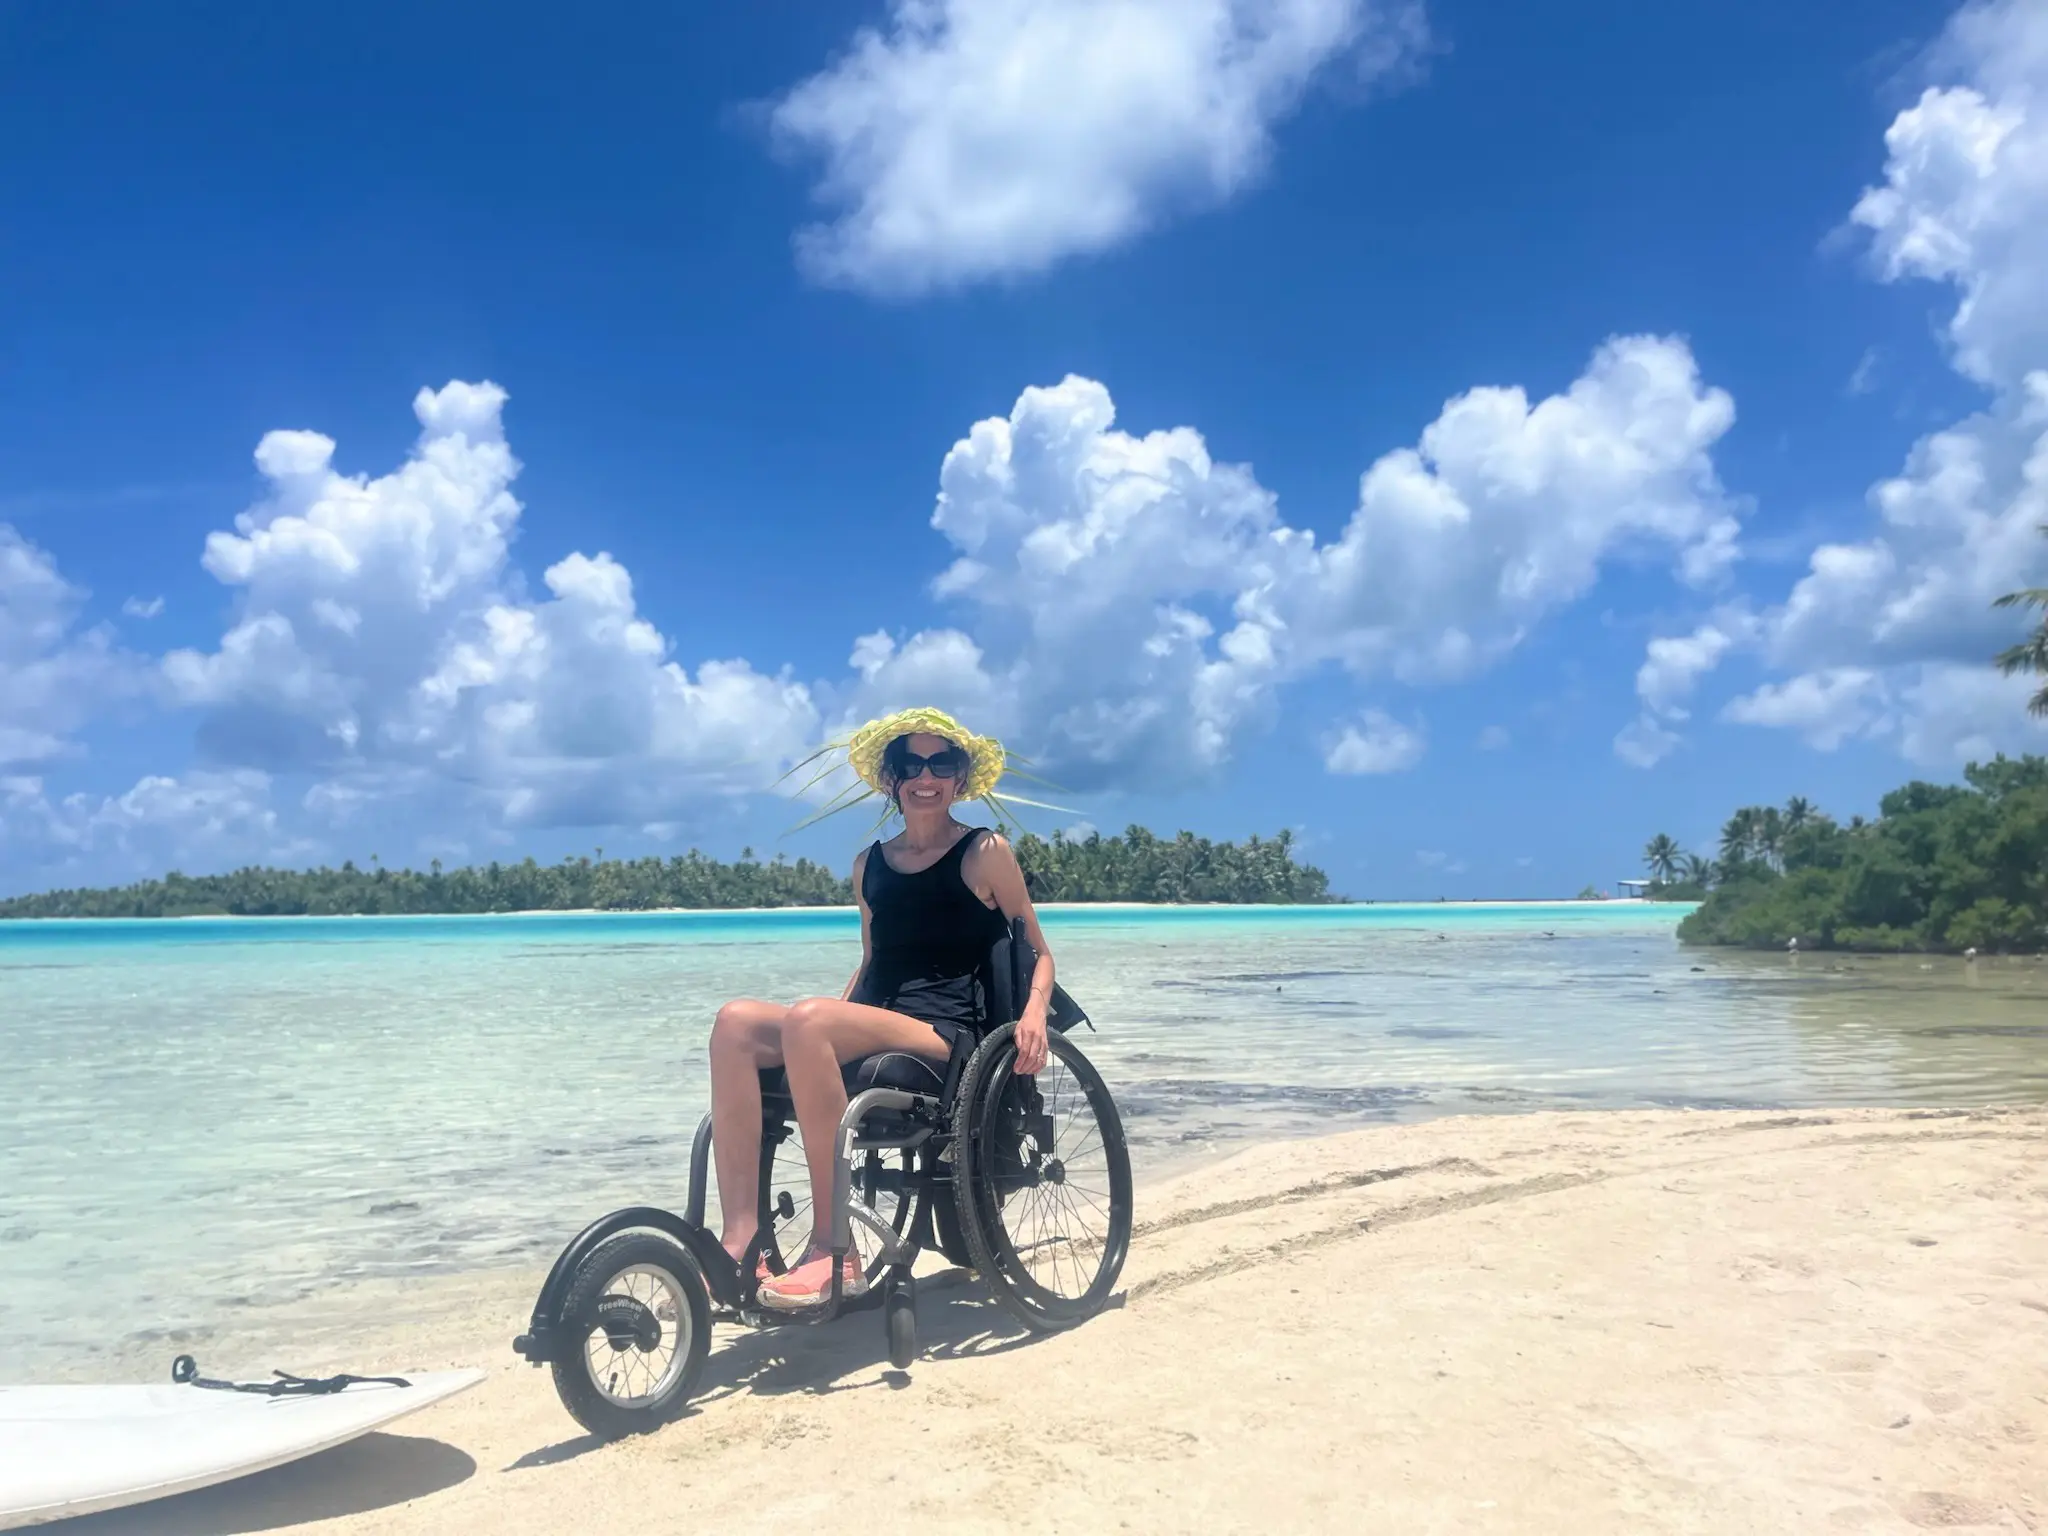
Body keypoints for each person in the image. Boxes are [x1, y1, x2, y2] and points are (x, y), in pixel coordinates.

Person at [706, 707, 1057, 1311]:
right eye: (910, 764)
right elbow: (872, 963)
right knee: (735, 1022)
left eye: (940, 763)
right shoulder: (870, 865)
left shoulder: (984, 851)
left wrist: (1033, 1016)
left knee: (808, 1018)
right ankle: (742, 1240)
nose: (926, 776)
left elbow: (1039, 952)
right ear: (891, 778)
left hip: (948, 1032)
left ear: (959, 777)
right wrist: (822, 1025)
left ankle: (833, 1249)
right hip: (883, 1018)